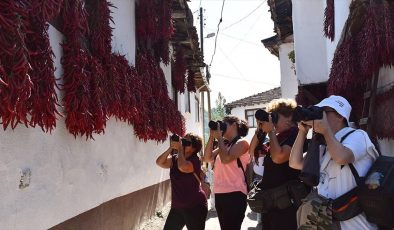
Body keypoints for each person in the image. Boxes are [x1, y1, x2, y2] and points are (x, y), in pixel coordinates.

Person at [289, 95, 378, 230]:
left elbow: (341, 157)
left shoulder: (358, 136)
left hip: (356, 225)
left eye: (323, 112)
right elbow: (295, 163)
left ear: (340, 116)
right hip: (328, 222)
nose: (320, 116)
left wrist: (325, 130)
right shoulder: (322, 145)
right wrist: (302, 132)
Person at [251, 98, 301, 230]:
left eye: (275, 117)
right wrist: (261, 129)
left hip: (286, 205)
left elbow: (279, 157)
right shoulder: (276, 138)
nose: (272, 121)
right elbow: (252, 151)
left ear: (289, 118)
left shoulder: (296, 134)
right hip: (270, 203)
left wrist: (271, 131)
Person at [203, 115, 250, 230]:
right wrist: (211, 137)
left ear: (234, 125)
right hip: (220, 192)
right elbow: (207, 158)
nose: (221, 128)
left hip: (236, 193)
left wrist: (219, 138)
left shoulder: (242, 143)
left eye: (224, 124)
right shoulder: (224, 144)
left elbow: (225, 159)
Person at [156, 133, 208, 230]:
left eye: (186, 142)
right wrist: (171, 148)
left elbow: (182, 167)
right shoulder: (175, 158)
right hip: (177, 207)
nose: (183, 143)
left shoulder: (195, 160)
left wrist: (179, 148)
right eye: (183, 140)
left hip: (195, 206)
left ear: (194, 148)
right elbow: (159, 162)